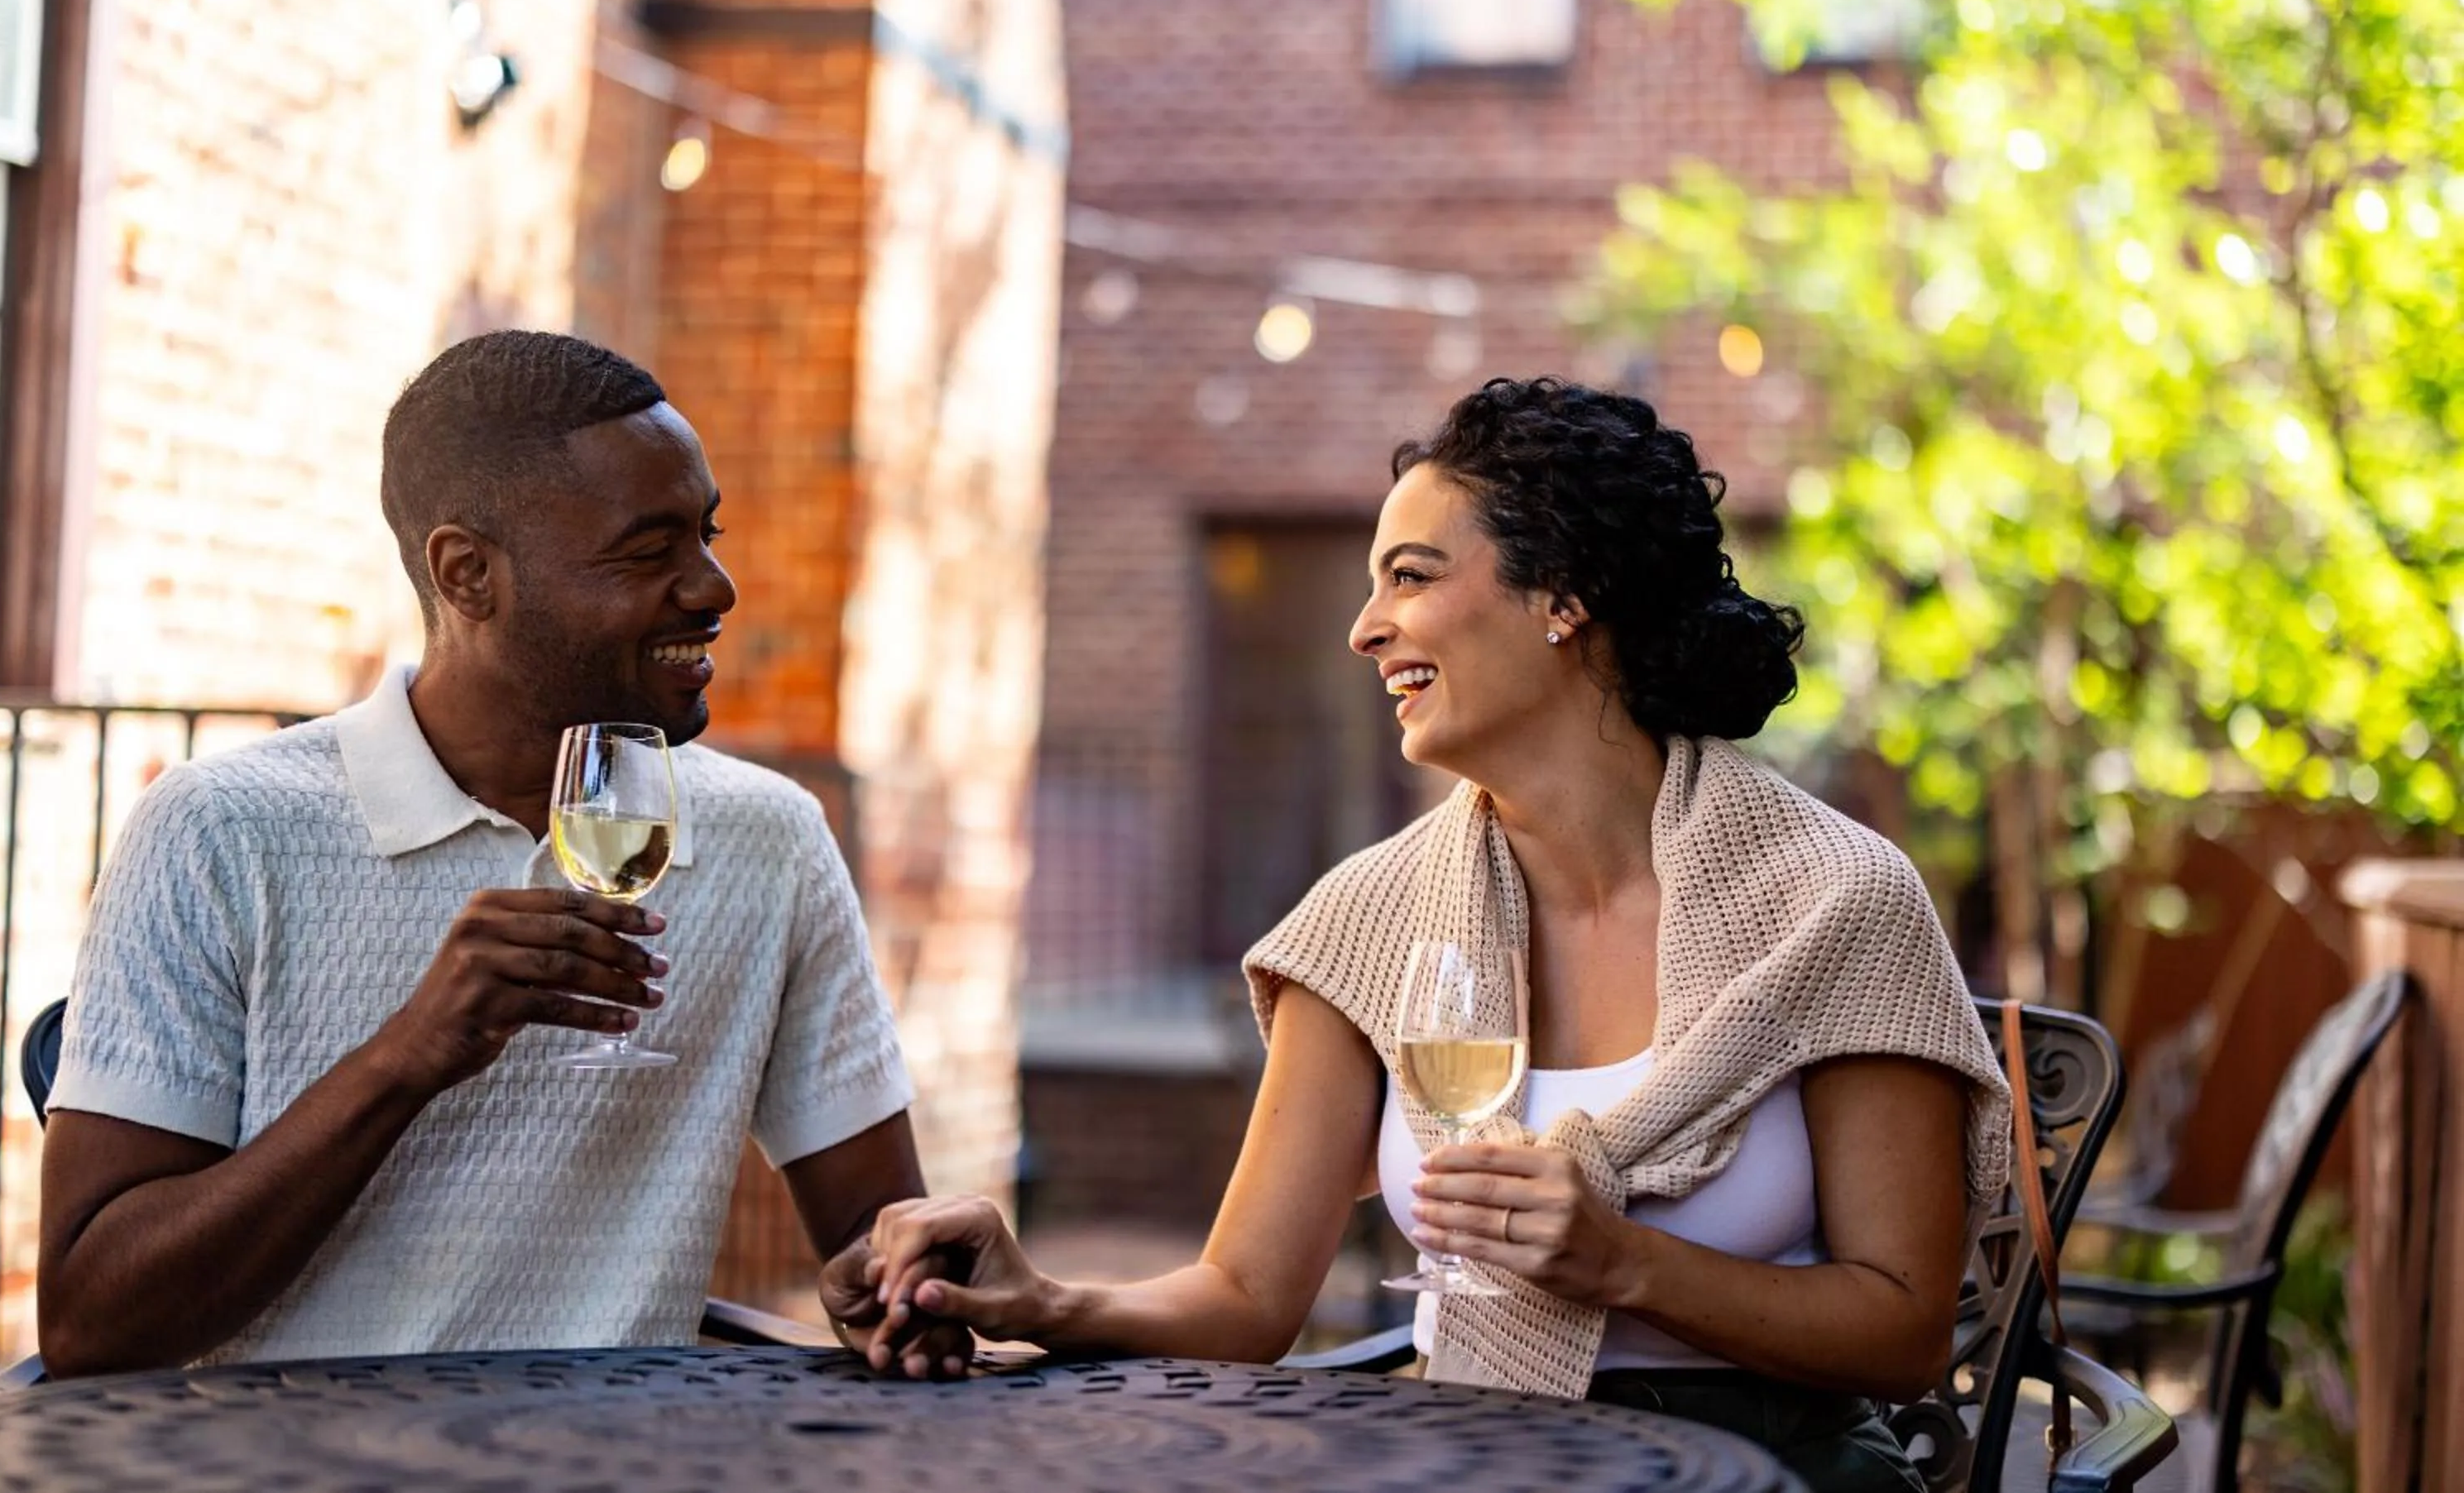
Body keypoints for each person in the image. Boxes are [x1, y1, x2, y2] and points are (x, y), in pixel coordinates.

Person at [835, 377, 2012, 1489]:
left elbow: (1902, 1326)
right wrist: (1038, 1297)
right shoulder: (1369, 921)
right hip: (1480, 1447)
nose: (1365, 628)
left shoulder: (1833, 901)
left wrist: (1629, 1264)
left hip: (1768, 1461)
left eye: (1409, 576)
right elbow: (1245, 1295)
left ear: (1565, 596)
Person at [36, 331, 963, 1378]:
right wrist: (412, 1052)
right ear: (468, 574)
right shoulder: (218, 829)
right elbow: (88, 1323)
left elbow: (879, 1244)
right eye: (647, 550)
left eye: (705, 534)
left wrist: (901, 1287)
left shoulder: (771, 836)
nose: (713, 587)